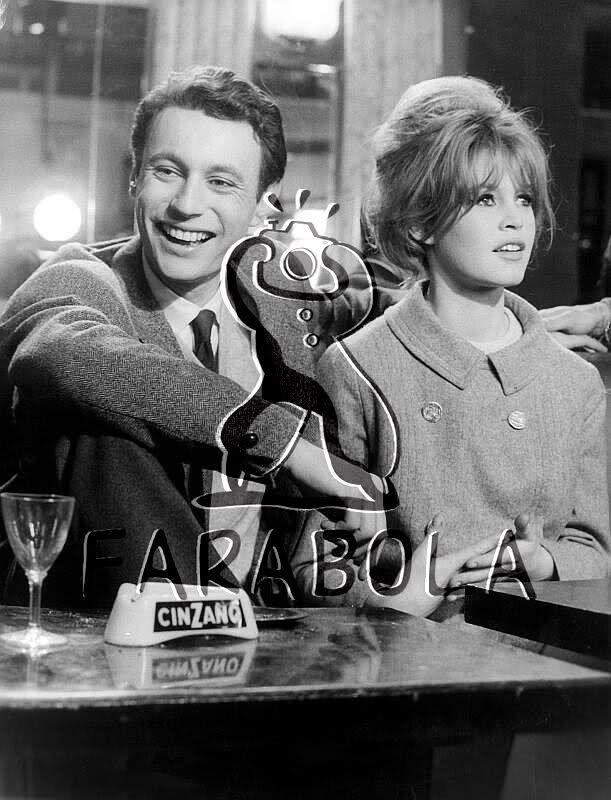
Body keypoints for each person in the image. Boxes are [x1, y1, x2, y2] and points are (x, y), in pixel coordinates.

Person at [0, 65, 388, 609]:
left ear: (264, 203)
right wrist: (284, 446)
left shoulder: (294, 312)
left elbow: (420, 309)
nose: (187, 204)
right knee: (98, 411)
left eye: (221, 182)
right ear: (134, 177)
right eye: (167, 171)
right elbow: (62, 354)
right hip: (94, 631)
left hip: (278, 638)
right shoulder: (81, 278)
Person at [292, 75, 610, 619]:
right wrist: (412, 588)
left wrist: (544, 560)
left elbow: (595, 550)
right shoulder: (357, 368)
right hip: (408, 655)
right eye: (485, 198)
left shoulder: (574, 381)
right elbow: (318, 566)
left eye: (524, 199)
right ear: (422, 222)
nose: (515, 218)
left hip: (541, 654)